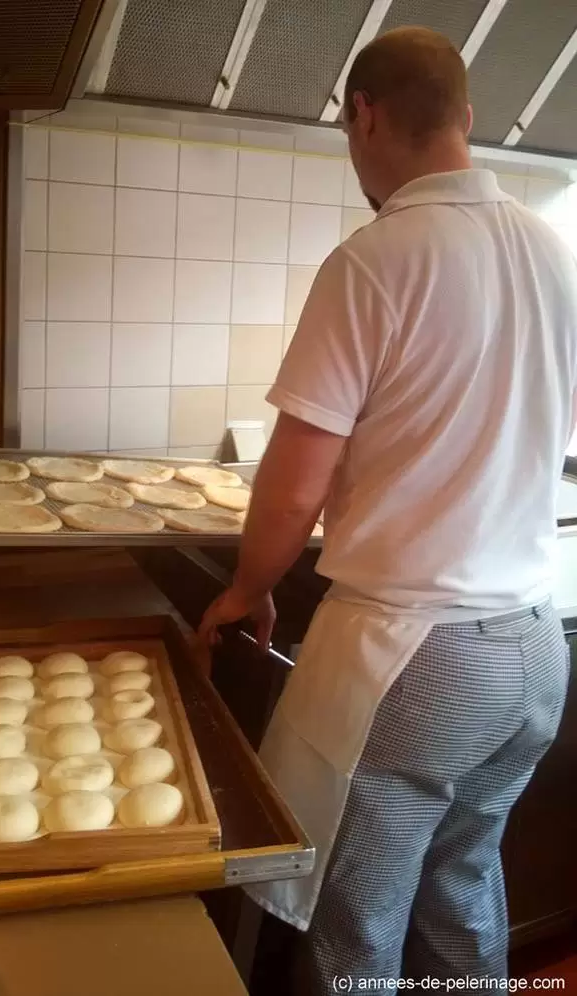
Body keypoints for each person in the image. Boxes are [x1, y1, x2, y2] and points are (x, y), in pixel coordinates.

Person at [199, 26, 577, 994]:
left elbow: (293, 479)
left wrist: (247, 586)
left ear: (361, 114)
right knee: (460, 879)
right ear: (466, 116)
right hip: (532, 647)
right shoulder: (547, 248)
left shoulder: (373, 258)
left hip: (419, 656)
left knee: (356, 919)